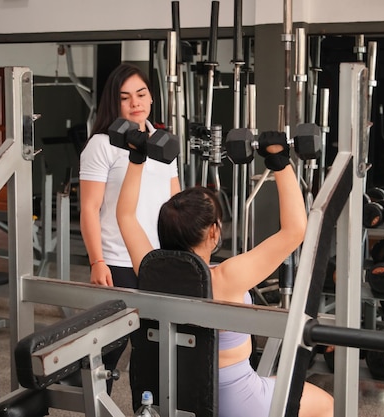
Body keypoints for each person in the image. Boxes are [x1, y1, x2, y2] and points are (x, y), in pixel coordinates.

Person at [116, 133, 334, 417]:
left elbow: (125, 216)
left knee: (279, 384)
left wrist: (136, 158)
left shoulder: (149, 268)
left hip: (176, 397)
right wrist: (279, 160)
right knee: (326, 404)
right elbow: (295, 230)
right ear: (214, 232)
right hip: (234, 401)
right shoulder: (227, 276)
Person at [79, 63, 181, 392]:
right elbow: (89, 208)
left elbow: (176, 203)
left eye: (141, 94)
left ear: (151, 97)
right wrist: (97, 261)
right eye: (126, 97)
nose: (135, 102)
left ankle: (145, 412)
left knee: (151, 350)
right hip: (118, 260)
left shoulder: (164, 143)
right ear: (115, 103)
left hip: (158, 260)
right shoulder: (101, 144)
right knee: (109, 350)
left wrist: (182, 256)